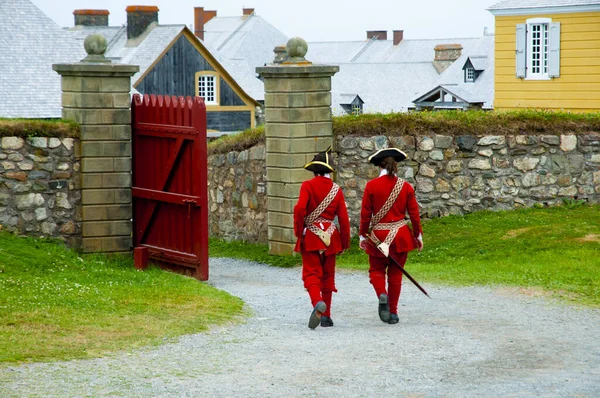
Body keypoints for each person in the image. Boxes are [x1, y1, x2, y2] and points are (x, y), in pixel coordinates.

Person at [359, 148, 423, 325]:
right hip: (400, 235)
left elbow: (365, 215)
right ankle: (393, 313)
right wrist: (418, 236)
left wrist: (362, 236)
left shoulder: (371, 186)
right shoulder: (406, 186)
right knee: (396, 275)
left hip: (378, 236)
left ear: (379, 166)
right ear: (396, 165)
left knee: (376, 271)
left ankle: (382, 294)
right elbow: (415, 215)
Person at [293, 146, 351, 329]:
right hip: (331, 238)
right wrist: (344, 242)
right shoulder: (337, 190)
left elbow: (300, 209)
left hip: (311, 236)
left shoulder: (307, 186)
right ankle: (326, 317)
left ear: (315, 171)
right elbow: (343, 218)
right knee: (328, 276)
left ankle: (318, 302)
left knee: (311, 274)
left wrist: (299, 231)